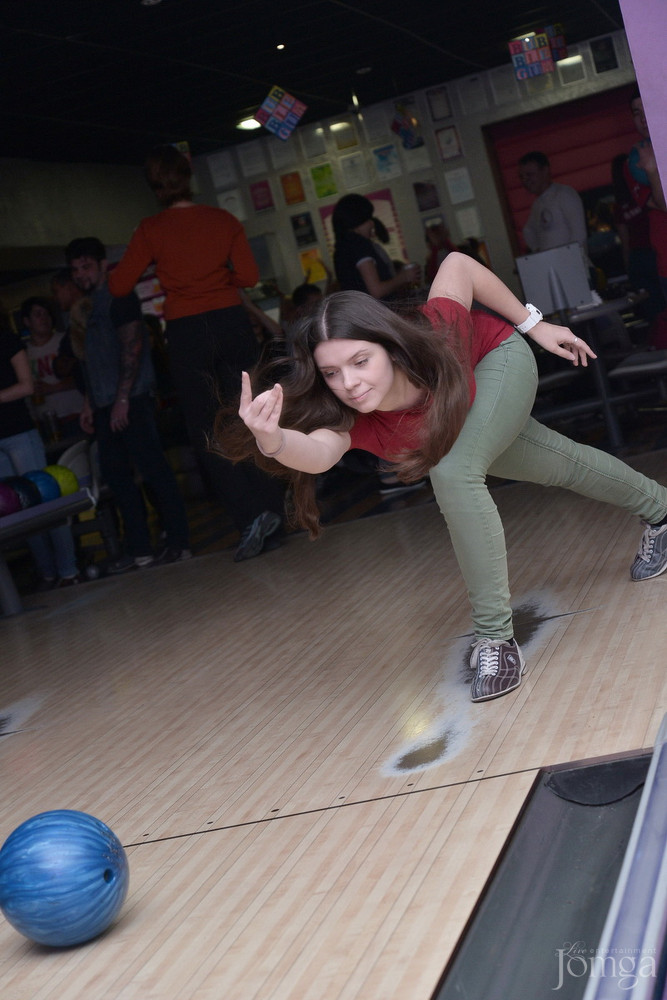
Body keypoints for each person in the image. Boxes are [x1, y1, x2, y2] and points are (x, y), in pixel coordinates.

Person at [219, 251, 667, 703]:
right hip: (463, 417)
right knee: (561, 464)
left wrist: (535, 326)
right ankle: (662, 511)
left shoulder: (439, 331)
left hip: (497, 361)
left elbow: (459, 264)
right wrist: (270, 438)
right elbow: (316, 455)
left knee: (453, 473)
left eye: (360, 361)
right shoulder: (348, 416)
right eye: (332, 373)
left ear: (390, 348)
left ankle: (496, 640)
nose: (349, 383)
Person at [107, 144, 285, 561]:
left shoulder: (150, 229)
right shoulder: (222, 220)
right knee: (253, 418)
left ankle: (248, 521)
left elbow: (118, 286)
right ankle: (275, 511)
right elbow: (250, 276)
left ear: (155, 187)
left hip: (187, 332)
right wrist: (217, 274)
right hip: (230, 322)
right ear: (188, 180)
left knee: (208, 430)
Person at [65, 236, 191, 571]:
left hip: (131, 400)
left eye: (86, 267)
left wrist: (122, 399)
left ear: (102, 266)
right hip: (107, 403)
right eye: (75, 270)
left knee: (154, 471)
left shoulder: (119, 298)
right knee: (117, 477)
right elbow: (94, 363)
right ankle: (140, 550)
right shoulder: (88, 308)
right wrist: (91, 404)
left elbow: (132, 350)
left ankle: (179, 543)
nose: (80, 274)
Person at [0, 314, 80, 588]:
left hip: (19, 432)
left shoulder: (7, 339)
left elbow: (27, 385)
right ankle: (47, 573)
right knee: (17, 509)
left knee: (45, 501)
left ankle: (69, 570)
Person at [332, 194, 419, 300]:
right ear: (356, 221)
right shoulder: (359, 244)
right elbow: (376, 291)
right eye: (368, 219)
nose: (372, 224)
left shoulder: (341, 248)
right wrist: (404, 277)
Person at [20, 296, 84, 438]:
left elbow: (85, 376)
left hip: (74, 415)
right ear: (27, 321)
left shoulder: (66, 341)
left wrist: (52, 388)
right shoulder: (22, 353)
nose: (44, 318)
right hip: (43, 423)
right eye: (38, 314)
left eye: (47, 314)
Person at [519, 151, 589, 257]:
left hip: (575, 266)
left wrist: (566, 259)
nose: (525, 180)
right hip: (555, 267)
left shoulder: (564, 193)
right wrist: (540, 253)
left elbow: (579, 235)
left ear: (545, 170)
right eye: (522, 177)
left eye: (530, 175)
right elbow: (527, 231)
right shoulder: (537, 204)